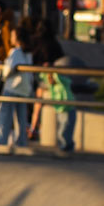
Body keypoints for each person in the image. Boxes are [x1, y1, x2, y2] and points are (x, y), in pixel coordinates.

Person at [31, 16, 77, 155]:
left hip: (41, 77)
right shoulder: (54, 44)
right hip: (53, 78)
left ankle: (33, 128)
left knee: (38, 105)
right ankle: (35, 128)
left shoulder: (36, 42)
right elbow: (60, 60)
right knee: (45, 105)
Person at [0, 16, 36, 149]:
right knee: (21, 117)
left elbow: (8, 70)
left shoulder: (15, 52)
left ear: (17, 37)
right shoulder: (28, 53)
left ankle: (2, 139)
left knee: (5, 113)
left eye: (12, 35)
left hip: (12, 88)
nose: (10, 38)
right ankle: (21, 141)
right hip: (24, 89)